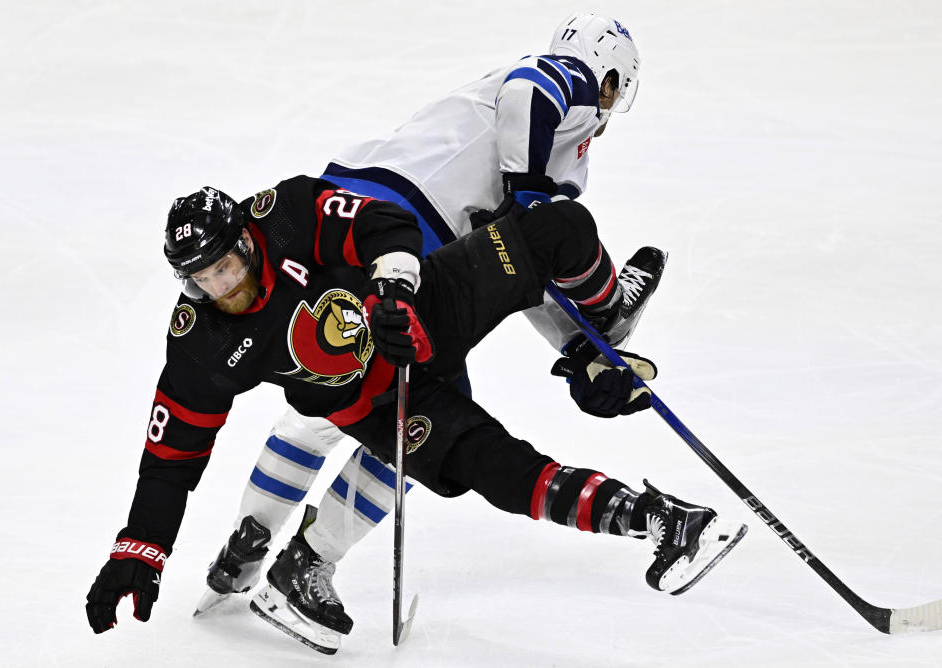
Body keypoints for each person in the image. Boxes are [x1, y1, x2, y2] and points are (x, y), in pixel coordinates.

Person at [84, 178, 747, 656]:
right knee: (499, 469)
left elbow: (382, 220)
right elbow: (171, 456)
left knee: (559, 229)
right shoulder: (199, 340)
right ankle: (655, 520)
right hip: (382, 407)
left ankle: (603, 317)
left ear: (245, 242)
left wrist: (392, 289)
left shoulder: (281, 214)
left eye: (225, 267)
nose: (222, 288)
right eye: (202, 280)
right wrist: (139, 547)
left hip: (427, 307)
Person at [195, 11, 667, 636]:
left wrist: (579, 347)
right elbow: (535, 91)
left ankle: (246, 543)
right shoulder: (560, 92)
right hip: (399, 241)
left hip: (333, 226)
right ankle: (304, 565)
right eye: (614, 89)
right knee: (421, 424)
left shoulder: (504, 128)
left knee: (329, 399)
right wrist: (534, 202)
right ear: (609, 80)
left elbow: (517, 268)